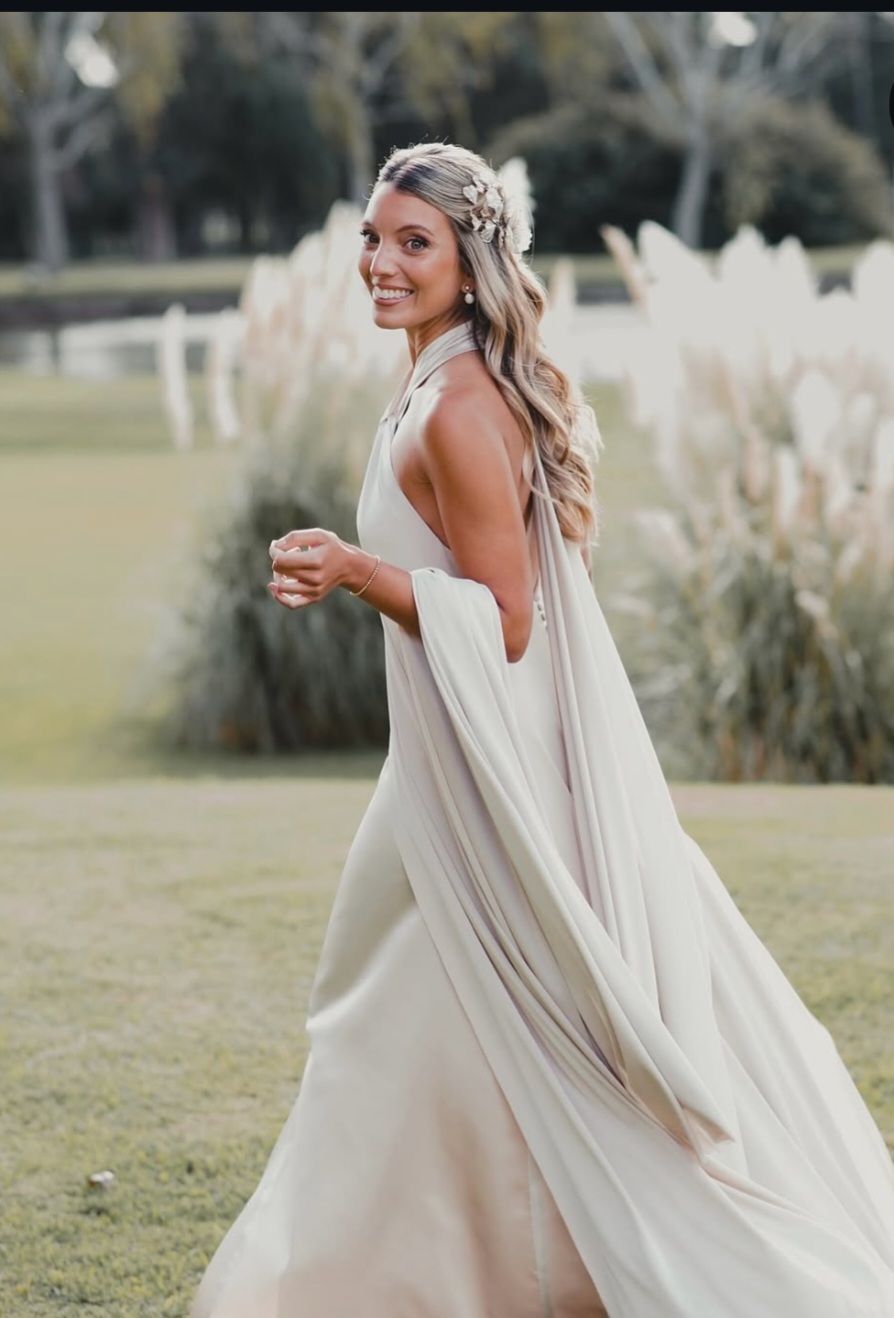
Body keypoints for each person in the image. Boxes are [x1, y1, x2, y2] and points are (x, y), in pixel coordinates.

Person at [189, 143, 894, 1318]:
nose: (379, 261)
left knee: (403, 1027)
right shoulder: (429, 381)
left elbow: (507, 622)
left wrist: (361, 569)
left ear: (471, 263)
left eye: (413, 242)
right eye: (373, 236)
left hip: (487, 790)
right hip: (447, 771)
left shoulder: (462, 407)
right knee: (410, 1025)